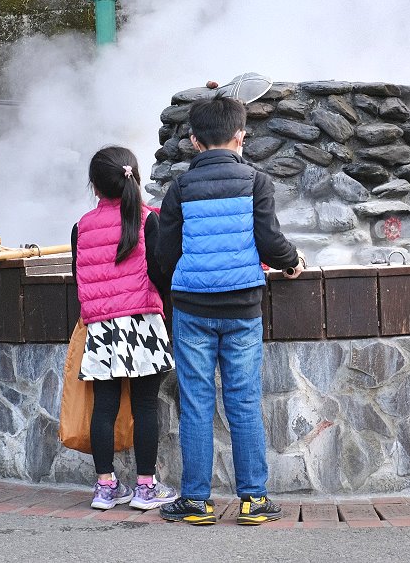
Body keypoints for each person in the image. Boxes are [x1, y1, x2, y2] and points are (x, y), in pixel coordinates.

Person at [152, 96, 306, 526]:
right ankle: (253, 500)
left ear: (194, 141)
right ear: (241, 136)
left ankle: (196, 501)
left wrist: (181, 284)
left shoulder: (180, 188)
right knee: (243, 401)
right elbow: (270, 242)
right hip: (243, 309)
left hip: (191, 309)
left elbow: (165, 254)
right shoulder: (256, 181)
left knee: (197, 403)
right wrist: (292, 261)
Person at [70, 146, 177, 511]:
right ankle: (146, 488)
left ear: (95, 186)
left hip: (101, 327)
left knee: (104, 407)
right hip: (143, 322)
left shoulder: (82, 226)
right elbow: (161, 274)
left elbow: (80, 278)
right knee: (145, 406)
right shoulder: (148, 220)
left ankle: (105, 487)